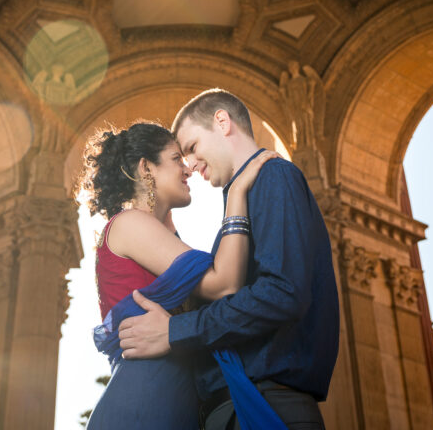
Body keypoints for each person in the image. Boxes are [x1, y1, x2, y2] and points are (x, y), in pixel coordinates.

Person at [118, 89, 340, 430]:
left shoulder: (274, 175)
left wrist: (176, 331)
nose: (189, 165)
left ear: (222, 122)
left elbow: (281, 293)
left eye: (191, 148)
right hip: (241, 402)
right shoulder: (245, 194)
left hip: (265, 404)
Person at [79, 120, 276, 429]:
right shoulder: (129, 223)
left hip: (177, 404)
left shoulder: (162, 238)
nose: (188, 170)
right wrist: (237, 192)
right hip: (145, 403)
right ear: (146, 168)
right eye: (176, 159)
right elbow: (224, 285)